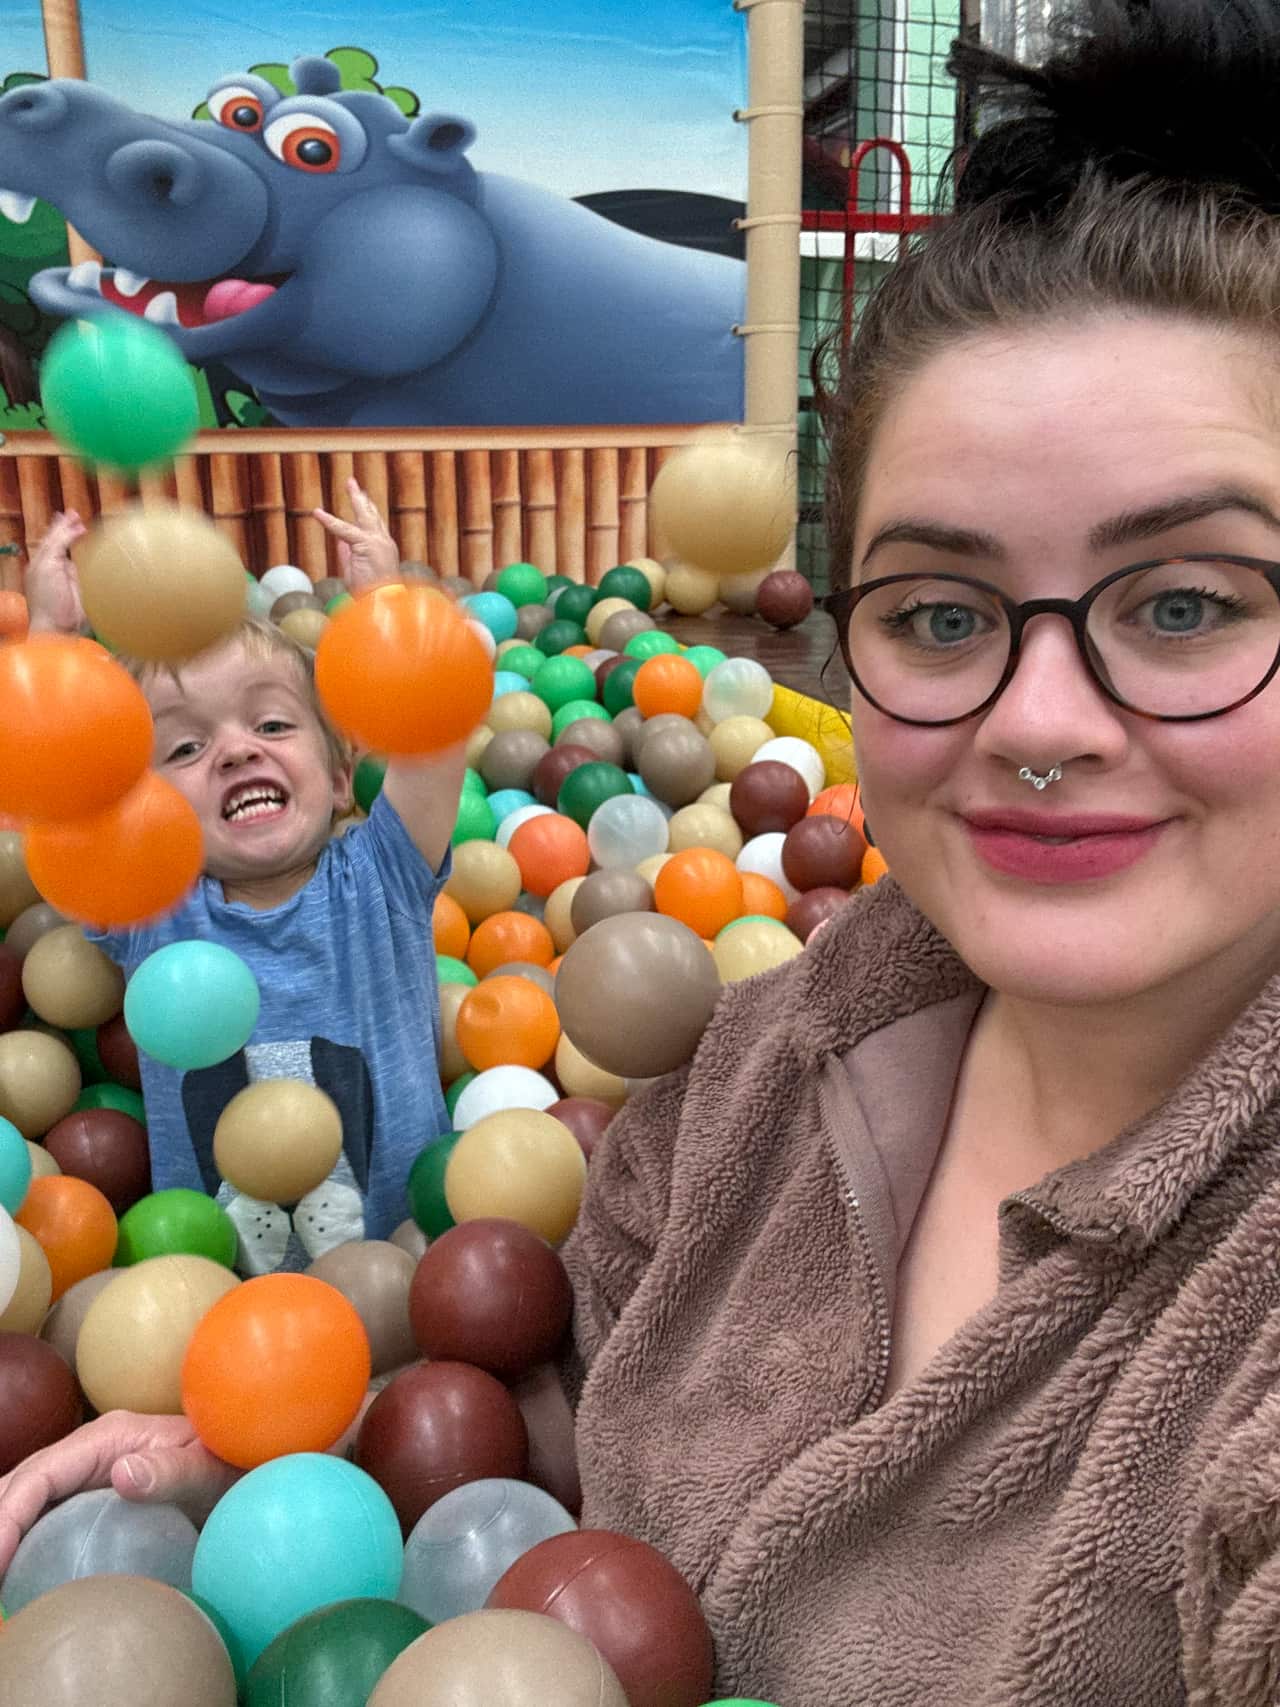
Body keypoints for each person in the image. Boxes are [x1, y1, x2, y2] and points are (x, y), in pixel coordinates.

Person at [7, 0, 1280, 1698]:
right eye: (945, 611)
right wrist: (290, 1461)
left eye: (1186, 602)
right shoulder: (755, 1064)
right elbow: (574, 1420)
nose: (1040, 718)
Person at [21, 479, 465, 1272]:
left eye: (271, 723)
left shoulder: (381, 878)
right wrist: (53, 640)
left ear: (338, 776)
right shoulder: (152, 904)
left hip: (404, 1281)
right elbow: (54, 796)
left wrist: (388, 610)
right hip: (218, 1300)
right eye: (184, 749)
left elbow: (432, 739)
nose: (235, 749)